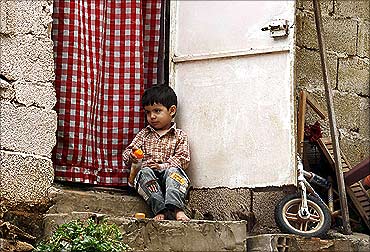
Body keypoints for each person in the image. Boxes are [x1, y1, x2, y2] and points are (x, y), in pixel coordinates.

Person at [122, 85, 191, 221]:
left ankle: (177, 209)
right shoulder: (144, 134)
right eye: (148, 112)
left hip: (169, 176)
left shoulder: (179, 135)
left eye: (157, 111)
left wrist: (162, 166)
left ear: (171, 111)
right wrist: (132, 156)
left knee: (175, 173)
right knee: (144, 173)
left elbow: (183, 159)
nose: (152, 116)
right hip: (149, 179)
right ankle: (160, 210)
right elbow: (127, 153)